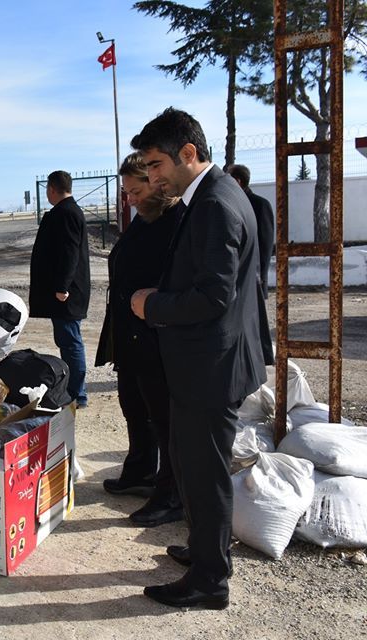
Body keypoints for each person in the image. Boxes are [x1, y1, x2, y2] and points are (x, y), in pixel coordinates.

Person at [130, 107, 266, 610]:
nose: (153, 176)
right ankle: (207, 550)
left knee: (204, 473)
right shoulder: (216, 193)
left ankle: (211, 581)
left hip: (211, 368)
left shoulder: (213, 204)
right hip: (213, 362)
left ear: (189, 154)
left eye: (158, 165)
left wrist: (152, 305)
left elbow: (213, 296)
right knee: (194, 467)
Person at [96, 152, 183, 527]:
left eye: (135, 190)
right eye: (127, 192)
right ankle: (140, 469)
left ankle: (171, 494)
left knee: (163, 418)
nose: (129, 198)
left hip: (155, 337)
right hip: (129, 335)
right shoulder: (144, 219)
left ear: (156, 182)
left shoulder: (175, 221)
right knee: (133, 405)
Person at [29, 171, 90, 408]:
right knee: (67, 339)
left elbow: (69, 253)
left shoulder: (66, 213)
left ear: (52, 189)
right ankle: (76, 391)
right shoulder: (66, 211)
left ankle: (77, 394)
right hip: (65, 291)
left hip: (67, 293)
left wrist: (62, 286)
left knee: (70, 341)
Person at [226, 164, 274, 299]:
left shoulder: (260, 205)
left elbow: (265, 244)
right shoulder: (229, 204)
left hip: (253, 278)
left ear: (237, 181)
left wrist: (261, 277)